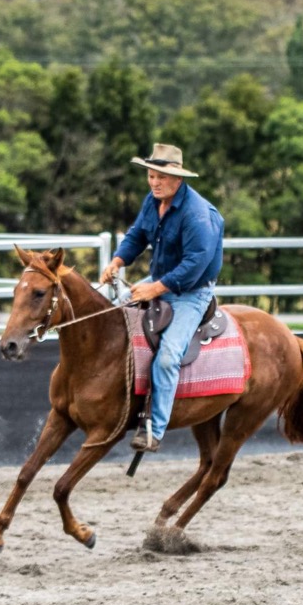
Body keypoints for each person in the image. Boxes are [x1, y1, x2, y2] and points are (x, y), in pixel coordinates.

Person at [100, 143, 224, 453]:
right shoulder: (152, 202)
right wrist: (117, 261)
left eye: (161, 177)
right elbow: (137, 235)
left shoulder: (197, 214)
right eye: (151, 176)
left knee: (168, 356)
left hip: (190, 291)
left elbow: (195, 264)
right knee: (110, 318)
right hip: (159, 279)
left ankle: (154, 429)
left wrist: (155, 289)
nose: (154, 182)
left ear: (178, 178)